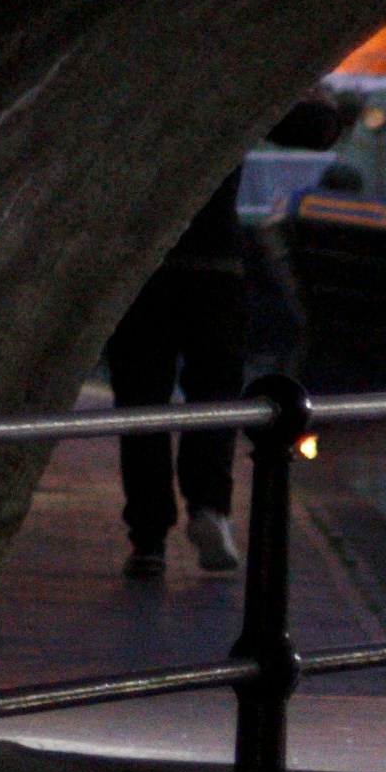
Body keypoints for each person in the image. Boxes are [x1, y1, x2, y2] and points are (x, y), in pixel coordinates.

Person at [107, 167, 250, 579]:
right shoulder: (224, 99)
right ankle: (209, 505)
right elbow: (309, 127)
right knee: (215, 392)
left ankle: (148, 538)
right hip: (216, 263)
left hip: (142, 267)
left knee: (140, 403)